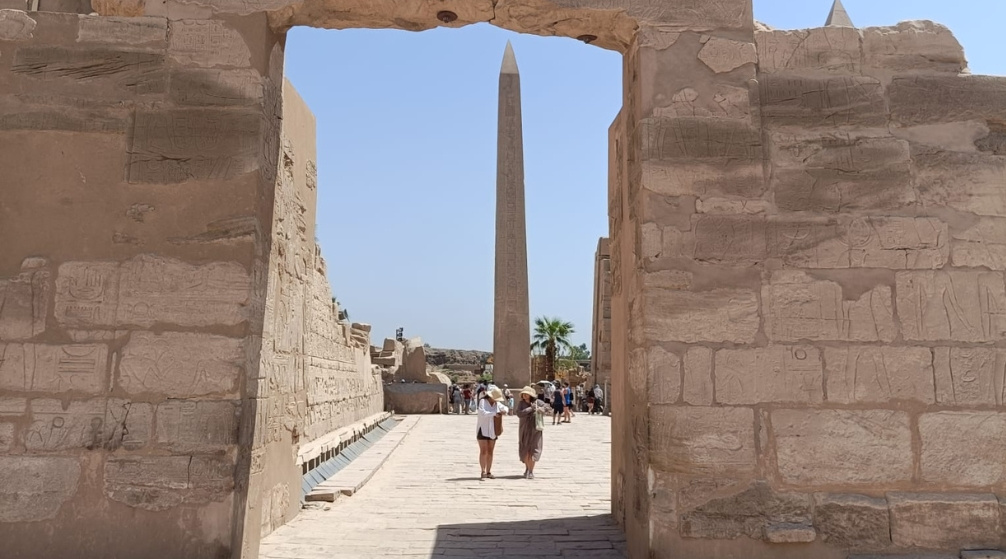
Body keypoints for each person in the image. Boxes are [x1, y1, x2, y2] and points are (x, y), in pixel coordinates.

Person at [516, 385, 549, 479]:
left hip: (535, 429)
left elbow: (548, 408)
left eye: (527, 394)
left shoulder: (538, 402)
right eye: (524, 394)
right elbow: (519, 413)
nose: (525, 396)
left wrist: (541, 409)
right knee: (525, 448)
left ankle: (531, 471)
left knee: (534, 449)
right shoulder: (521, 404)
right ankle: (527, 468)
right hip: (524, 429)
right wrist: (530, 409)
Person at [476, 387, 508, 480]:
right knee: (483, 451)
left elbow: (505, 408)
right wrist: (494, 413)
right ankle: (482, 471)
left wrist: (504, 411)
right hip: (483, 429)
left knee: (490, 451)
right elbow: (482, 413)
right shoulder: (483, 402)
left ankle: (489, 471)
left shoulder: (497, 404)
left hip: (493, 430)